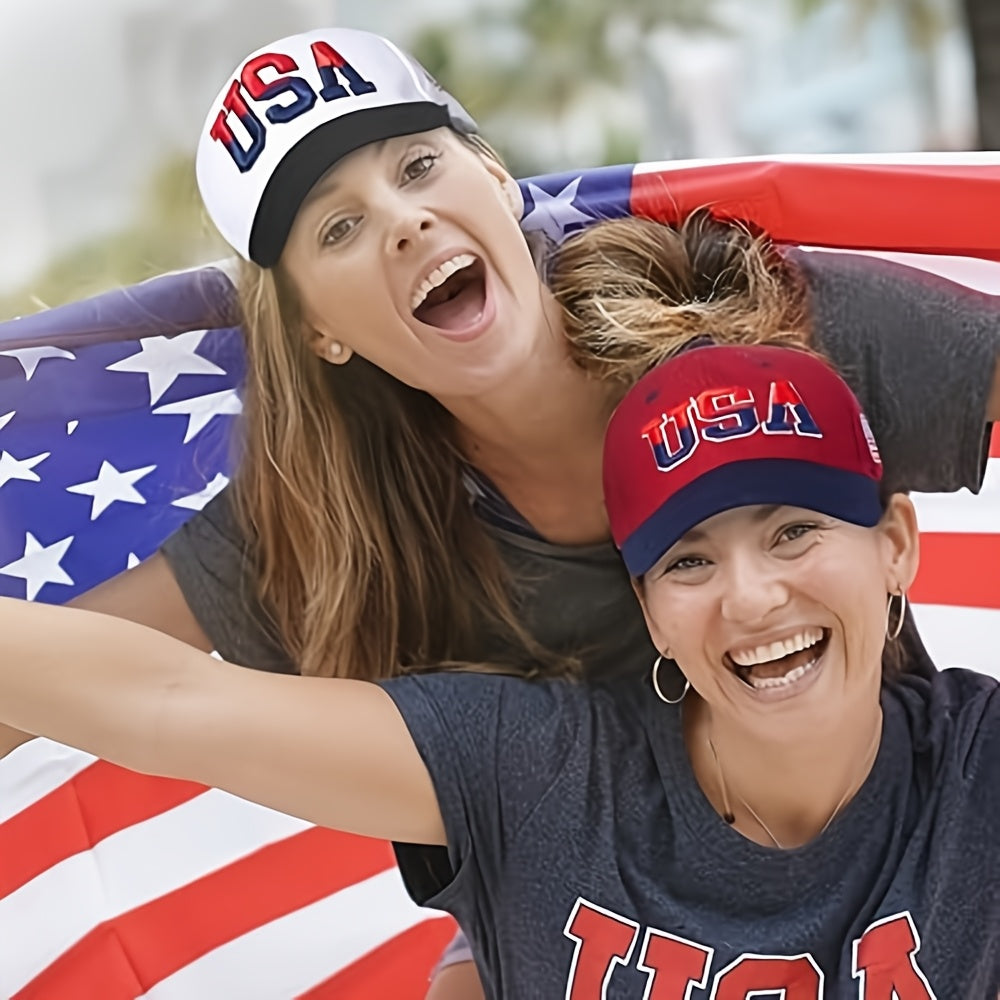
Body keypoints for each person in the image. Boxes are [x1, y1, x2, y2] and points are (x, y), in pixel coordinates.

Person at [3, 24, 1000, 998]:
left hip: (901, 876)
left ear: (493, 174)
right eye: (339, 228)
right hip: (571, 918)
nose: (403, 221)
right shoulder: (329, 527)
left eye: (418, 166)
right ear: (316, 330)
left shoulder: (754, 326)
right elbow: (131, 695)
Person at [1, 343, 997, 997]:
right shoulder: (538, 774)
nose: (750, 597)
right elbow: (167, 700)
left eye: (793, 531)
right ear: (649, 609)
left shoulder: (977, 776)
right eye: (689, 560)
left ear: (894, 546)